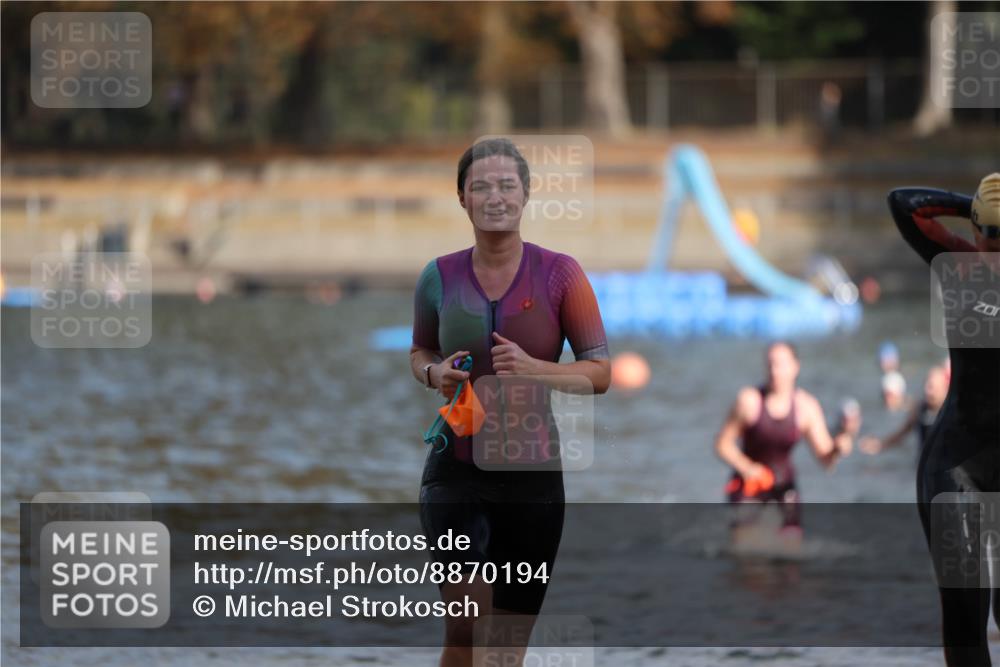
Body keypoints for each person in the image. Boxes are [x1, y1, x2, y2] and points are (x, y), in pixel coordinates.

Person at [410, 138, 611, 667]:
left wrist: (535, 369)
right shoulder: (437, 277)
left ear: (526, 194)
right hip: (455, 469)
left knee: (505, 649)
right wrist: (434, 373)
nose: (494, 196)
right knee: (468, 628)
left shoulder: (561, 275)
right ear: (461, 197)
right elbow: (419, 351)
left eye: (506, 185)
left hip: (534, 479)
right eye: (480, 186)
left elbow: (600, 372)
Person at [887, 173, 1000, 666]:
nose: (992, 247)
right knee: (965, 621)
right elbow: (904, 204)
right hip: (956, 468)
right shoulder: (958, 267)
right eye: (987, 234)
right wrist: (973, 204)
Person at [714, 341, 858, 551]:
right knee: (746, 556)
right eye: (770, 364)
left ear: (795, 367)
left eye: (780, 364)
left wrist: (839, 447)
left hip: (784, 485)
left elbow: (826, 460)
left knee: (791, 557)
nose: (774, 371)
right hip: (748, 483)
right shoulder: (749, 401)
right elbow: (722, 444)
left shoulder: (806, 406)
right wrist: (748, 468)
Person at [860, 364, 949, 459]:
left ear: (944, 388)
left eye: (931, 387)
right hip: (924, 466)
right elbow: (902, 433)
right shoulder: (919, 408)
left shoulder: (951, 410)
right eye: (925, 384)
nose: (926, 390)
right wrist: (880, 445)